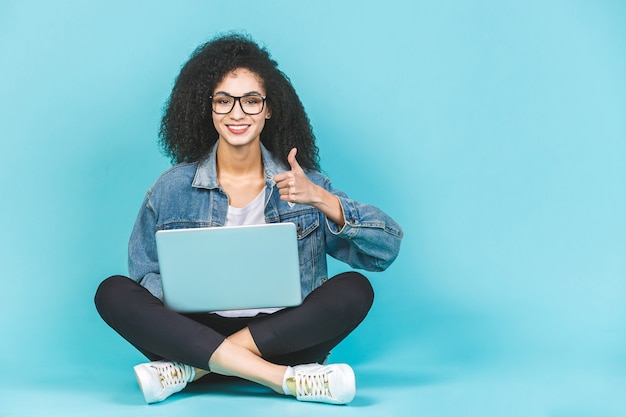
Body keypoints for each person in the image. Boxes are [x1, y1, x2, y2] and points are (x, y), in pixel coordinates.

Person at [94, 32, 403, 406]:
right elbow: (144, 274)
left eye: (251, 101)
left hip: (281, 336)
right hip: (196, 330)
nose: (237, 113)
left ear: (269, 108)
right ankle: (283, 380)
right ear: (206, 108)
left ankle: (191, 370)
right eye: (224, 101)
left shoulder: (305, 185)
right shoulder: (171, 188)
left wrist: (321, 198)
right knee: (112, 291)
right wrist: (181, 309)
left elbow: (384, 251)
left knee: (355, 287)